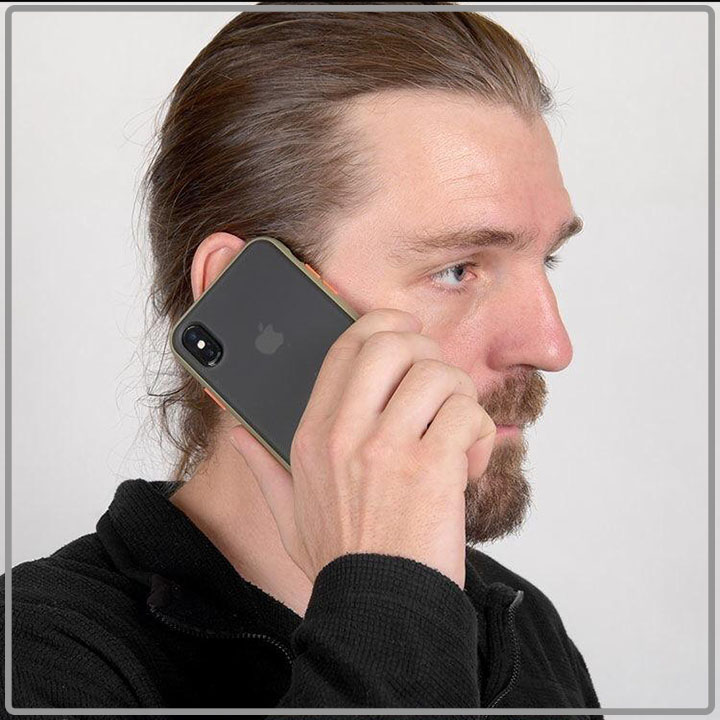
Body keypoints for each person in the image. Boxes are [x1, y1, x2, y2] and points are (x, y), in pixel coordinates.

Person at [3, 2, 604, 716]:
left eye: (547, 260)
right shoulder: (38, 663)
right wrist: (390, 598)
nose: (550, 346)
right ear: (242, 296)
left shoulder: (524, 628)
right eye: (457, 270)